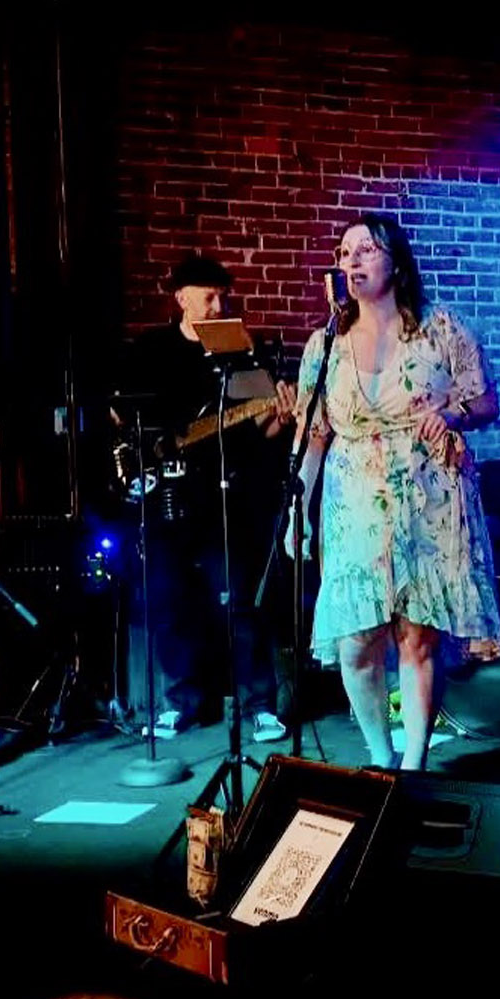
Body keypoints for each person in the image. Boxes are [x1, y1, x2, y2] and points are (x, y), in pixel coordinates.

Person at [288, 214, 500, 771]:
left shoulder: (442, 328)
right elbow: (312, 436)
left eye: (366, 249)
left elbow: (486, 403)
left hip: (429, 497)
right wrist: (297, 509)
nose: (352, 260)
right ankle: (380, 758)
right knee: (355, 640)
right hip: (354, 502)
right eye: (344, 252)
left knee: (417, 637)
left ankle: (413, 765)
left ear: (396, 261)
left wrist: (452, 413)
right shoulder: (326, 344)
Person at [117, 253, 298, 741]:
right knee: (169, 600)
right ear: (182, 299)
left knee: (239, 601)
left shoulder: (239, 350)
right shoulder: (151, 350)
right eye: (209, 297)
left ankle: (259, 704)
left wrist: (283, 415)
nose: (219, 306)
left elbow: (263, 429)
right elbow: (123, 414)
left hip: (225, 495)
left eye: (223, 297)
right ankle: (179, 702)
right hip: (166, 493)